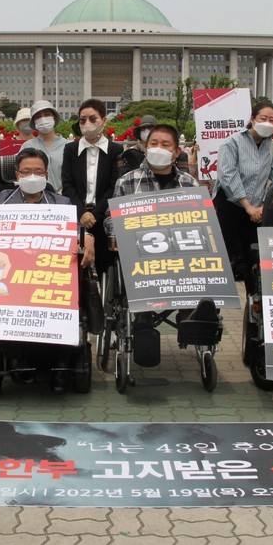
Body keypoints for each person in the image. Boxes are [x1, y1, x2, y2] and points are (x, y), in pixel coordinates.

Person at [0, 148, 94, 392]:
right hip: (12, 275)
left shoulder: (62, 203)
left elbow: (77, 234)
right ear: (16, 174)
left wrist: (88, 237)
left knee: (69, 299)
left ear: (46, 174)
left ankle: (62, 364)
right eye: (26, 171)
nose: (32, 176)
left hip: (50, 276)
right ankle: (17, 360)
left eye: (38, 171)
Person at [105, 123, 201, 368]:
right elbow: (111, 217)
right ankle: (142, 321)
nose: (158, 148)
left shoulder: (189, 185)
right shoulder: (128, 182)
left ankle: (192, 318)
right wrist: (119, 235)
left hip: (181, 260)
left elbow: (203, 224)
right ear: (145, 148)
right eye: (153, 144)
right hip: (141, 260)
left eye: (165, 144)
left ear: (177, 151)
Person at [212, 101, 273, 291]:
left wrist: (263, 207)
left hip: (258, 211)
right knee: (223, 257)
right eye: (263, 118)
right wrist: (247, 205)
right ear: (252, 119)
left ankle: (257, 305)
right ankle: (213, 306)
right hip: (230, 206)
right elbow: (228, 175)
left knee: (256, 259)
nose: (267, 123)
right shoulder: (232, 142)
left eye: (272, 120)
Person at [61, 98, 122, 274]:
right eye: (82, 120)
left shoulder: (115, 150)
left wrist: (94, 215)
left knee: (106, 265)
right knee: (76, 266)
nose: (87, 123)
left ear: (104, 121)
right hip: (78, 217)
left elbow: (114, 186)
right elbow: (67, 184)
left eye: (93, 119)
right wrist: (81, 213)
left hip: (103, 217)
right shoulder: (71, 150)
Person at [21, 100, 69, 192]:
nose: (43, 119)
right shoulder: (27, 146)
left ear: (54, 118)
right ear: (34, 122)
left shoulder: (68, 146)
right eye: (38, 117)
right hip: (35, 196)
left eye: (47, 115)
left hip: (64, 197)